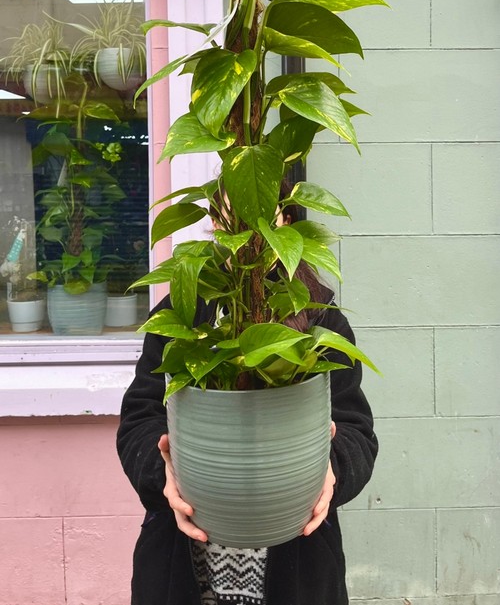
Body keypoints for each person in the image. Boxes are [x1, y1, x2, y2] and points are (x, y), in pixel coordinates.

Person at [117, 194, 378, 605]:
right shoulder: (185, 312)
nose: (233, 226)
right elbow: (139, 417)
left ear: (286, 219)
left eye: (251, 209)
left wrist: (333, 470)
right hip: (185, 560)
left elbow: (356, 431)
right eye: (222, 216)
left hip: (296, 565)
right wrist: (161, 476)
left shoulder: (320, 320)